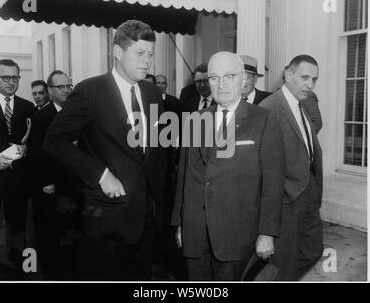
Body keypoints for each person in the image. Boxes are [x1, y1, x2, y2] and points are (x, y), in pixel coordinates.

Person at [44, 20, 167, 281]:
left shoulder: (153, 93)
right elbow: (54, 141)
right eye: (140, 53)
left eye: (151, 54)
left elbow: (155, 151)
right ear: (118, 52)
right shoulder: (90, 91)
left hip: (146, 218)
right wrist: (100, 174)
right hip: (107, 219)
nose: (147, 61)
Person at [171, 51, 284, 281]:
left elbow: (273, 183)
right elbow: (185, 176)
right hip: (196, 233)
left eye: (228, 76)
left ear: (243, 79)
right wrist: (180, 223)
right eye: (214, 78)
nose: (220, 85)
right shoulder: (195, 119)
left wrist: (267, 233)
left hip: (237, 235)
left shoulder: (264, 120)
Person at [260, 54, 324, 281]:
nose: (310, 84)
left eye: (314, 79)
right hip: (285, 200)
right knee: (285, 262)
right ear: (288, 75)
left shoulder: (302, 104)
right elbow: (263, 166)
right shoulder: (270, 107)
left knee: (313, 249)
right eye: (305, 77)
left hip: (307, 194)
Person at [28, 70, 82, 280]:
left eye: (68, 85)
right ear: (50, 91)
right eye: (61, 87)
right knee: (50, 231)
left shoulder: (76, 113)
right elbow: (37, 153)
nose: (66, 90)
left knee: (72, 228)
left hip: (73, 183)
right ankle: (52, 273)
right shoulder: (41, 116)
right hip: (51, 185)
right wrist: (48, 181)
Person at [0, 59, 34, 279]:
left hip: (18, 180)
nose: (11, 82)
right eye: (5, 77)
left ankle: (19, 269)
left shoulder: (27, 107)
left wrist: (26, 148)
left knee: (18, 226)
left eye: (15, 78)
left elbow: (35, 143)